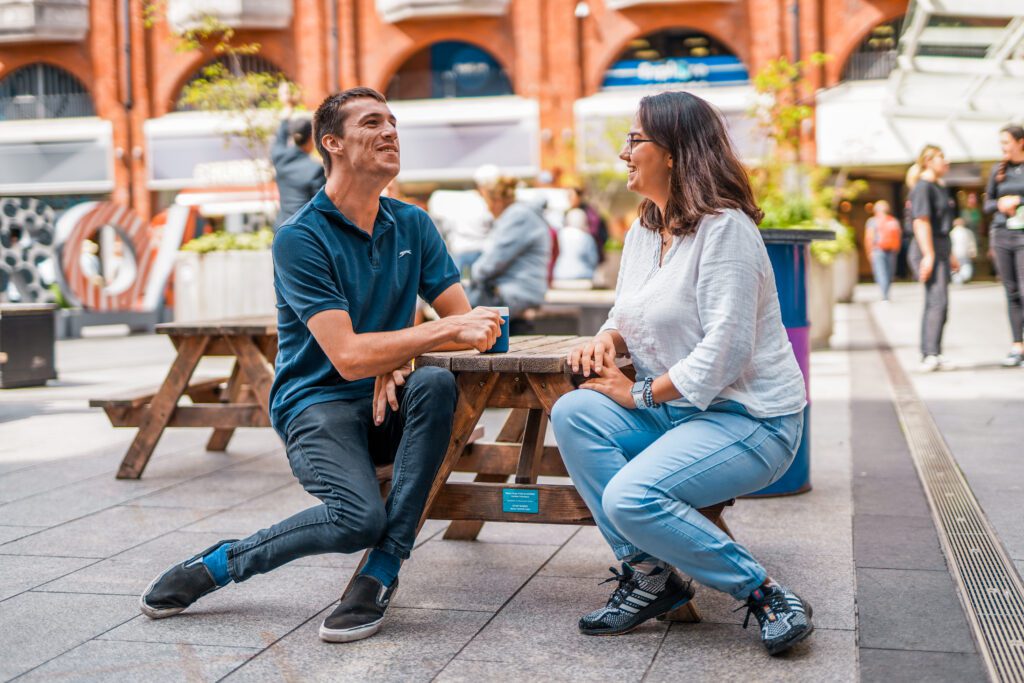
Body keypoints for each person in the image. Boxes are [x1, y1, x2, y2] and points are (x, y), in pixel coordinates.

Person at [140, 87, 503, 644]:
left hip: (388, 404)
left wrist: (403, 353)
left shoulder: (414, 225)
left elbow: (477, 331)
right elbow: (350, 356)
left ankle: (379, 573)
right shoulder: (300, 238)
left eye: (393, 121)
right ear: (331, 143)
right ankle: (220, 564)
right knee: (356, 518)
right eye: (372, 122)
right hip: (317, 403)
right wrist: (408, 343)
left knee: (431, 383)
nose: (390, 132)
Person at [549, 91, 812, 656]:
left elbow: (726, 347)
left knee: (631, 498)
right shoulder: (645, 230)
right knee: (573, 411)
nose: (624, 151)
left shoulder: (726, 228)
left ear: (673, 152)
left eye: (635, 139)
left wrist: (639, 392)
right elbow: (628, 313)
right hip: (680, 413)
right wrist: (604, 339)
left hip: (750, 420)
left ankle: (765, 594)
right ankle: (651, 578)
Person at [466, 173, 551, 316]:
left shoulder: (517, 216)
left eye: (487, 202)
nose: (488, 209)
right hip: (523, 290)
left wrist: (468, 279)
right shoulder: (523, 214)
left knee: (462, 311)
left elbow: (492, 262)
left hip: (517, 293)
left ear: (497, 201)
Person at [907, 145, 959, 372]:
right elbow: (921, 221)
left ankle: (935, 352)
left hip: (940, 246)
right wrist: (928, 255)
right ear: (928, 161)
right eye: (941, 158)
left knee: (940, 302)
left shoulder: (940, 187)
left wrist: (951, 254)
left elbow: (943, 227)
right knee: (937, 301)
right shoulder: (923, 187)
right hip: (927, 246)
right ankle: (929, 353)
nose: (945, 162)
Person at [983, 124, 1024, 367]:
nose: (1003, 148)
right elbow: (987, 204)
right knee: (1011, 292)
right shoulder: (997, 171)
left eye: (1006, 142)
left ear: (1021, 142)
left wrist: (1017, 199)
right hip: (1002, 234)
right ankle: (1016, 346)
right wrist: (1000, 204)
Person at [271, 83, 327, 230]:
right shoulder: (316, 169)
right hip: (305, 229)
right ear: (311, 139)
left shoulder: (279, 157)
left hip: (282, 227)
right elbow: (322, 205)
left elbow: (281, 132)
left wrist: (287, 105)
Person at [864, 199, 902, 301]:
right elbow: (899, 236)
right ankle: (886, 293)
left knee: (881, 272)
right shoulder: (893, 221)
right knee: (889, 273)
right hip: (891, 249)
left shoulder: (872, 221)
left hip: (878, 250)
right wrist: (896, 248)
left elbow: (869, 237)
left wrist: (869, 251)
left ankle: (884, 295)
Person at [553, 206, 599, 281]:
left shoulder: (559, 234)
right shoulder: (586, 237)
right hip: (582, 275)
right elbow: (593, 260)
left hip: (559, 274)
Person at [570, 186, 609, 263]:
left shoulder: (588, 211)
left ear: (579, 197)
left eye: (571, 196)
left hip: (589, 252)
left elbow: (594, 230)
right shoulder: (570, 211)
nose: (569, 199)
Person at [950, 218, 977, 285]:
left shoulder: (967, 232)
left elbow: (971, 244)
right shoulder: (952, 233)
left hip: (962, 255)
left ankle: (959, 279)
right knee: (960, 271)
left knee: (964, 271)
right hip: (958, 255)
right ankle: (959, 279)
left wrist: (973, 252)